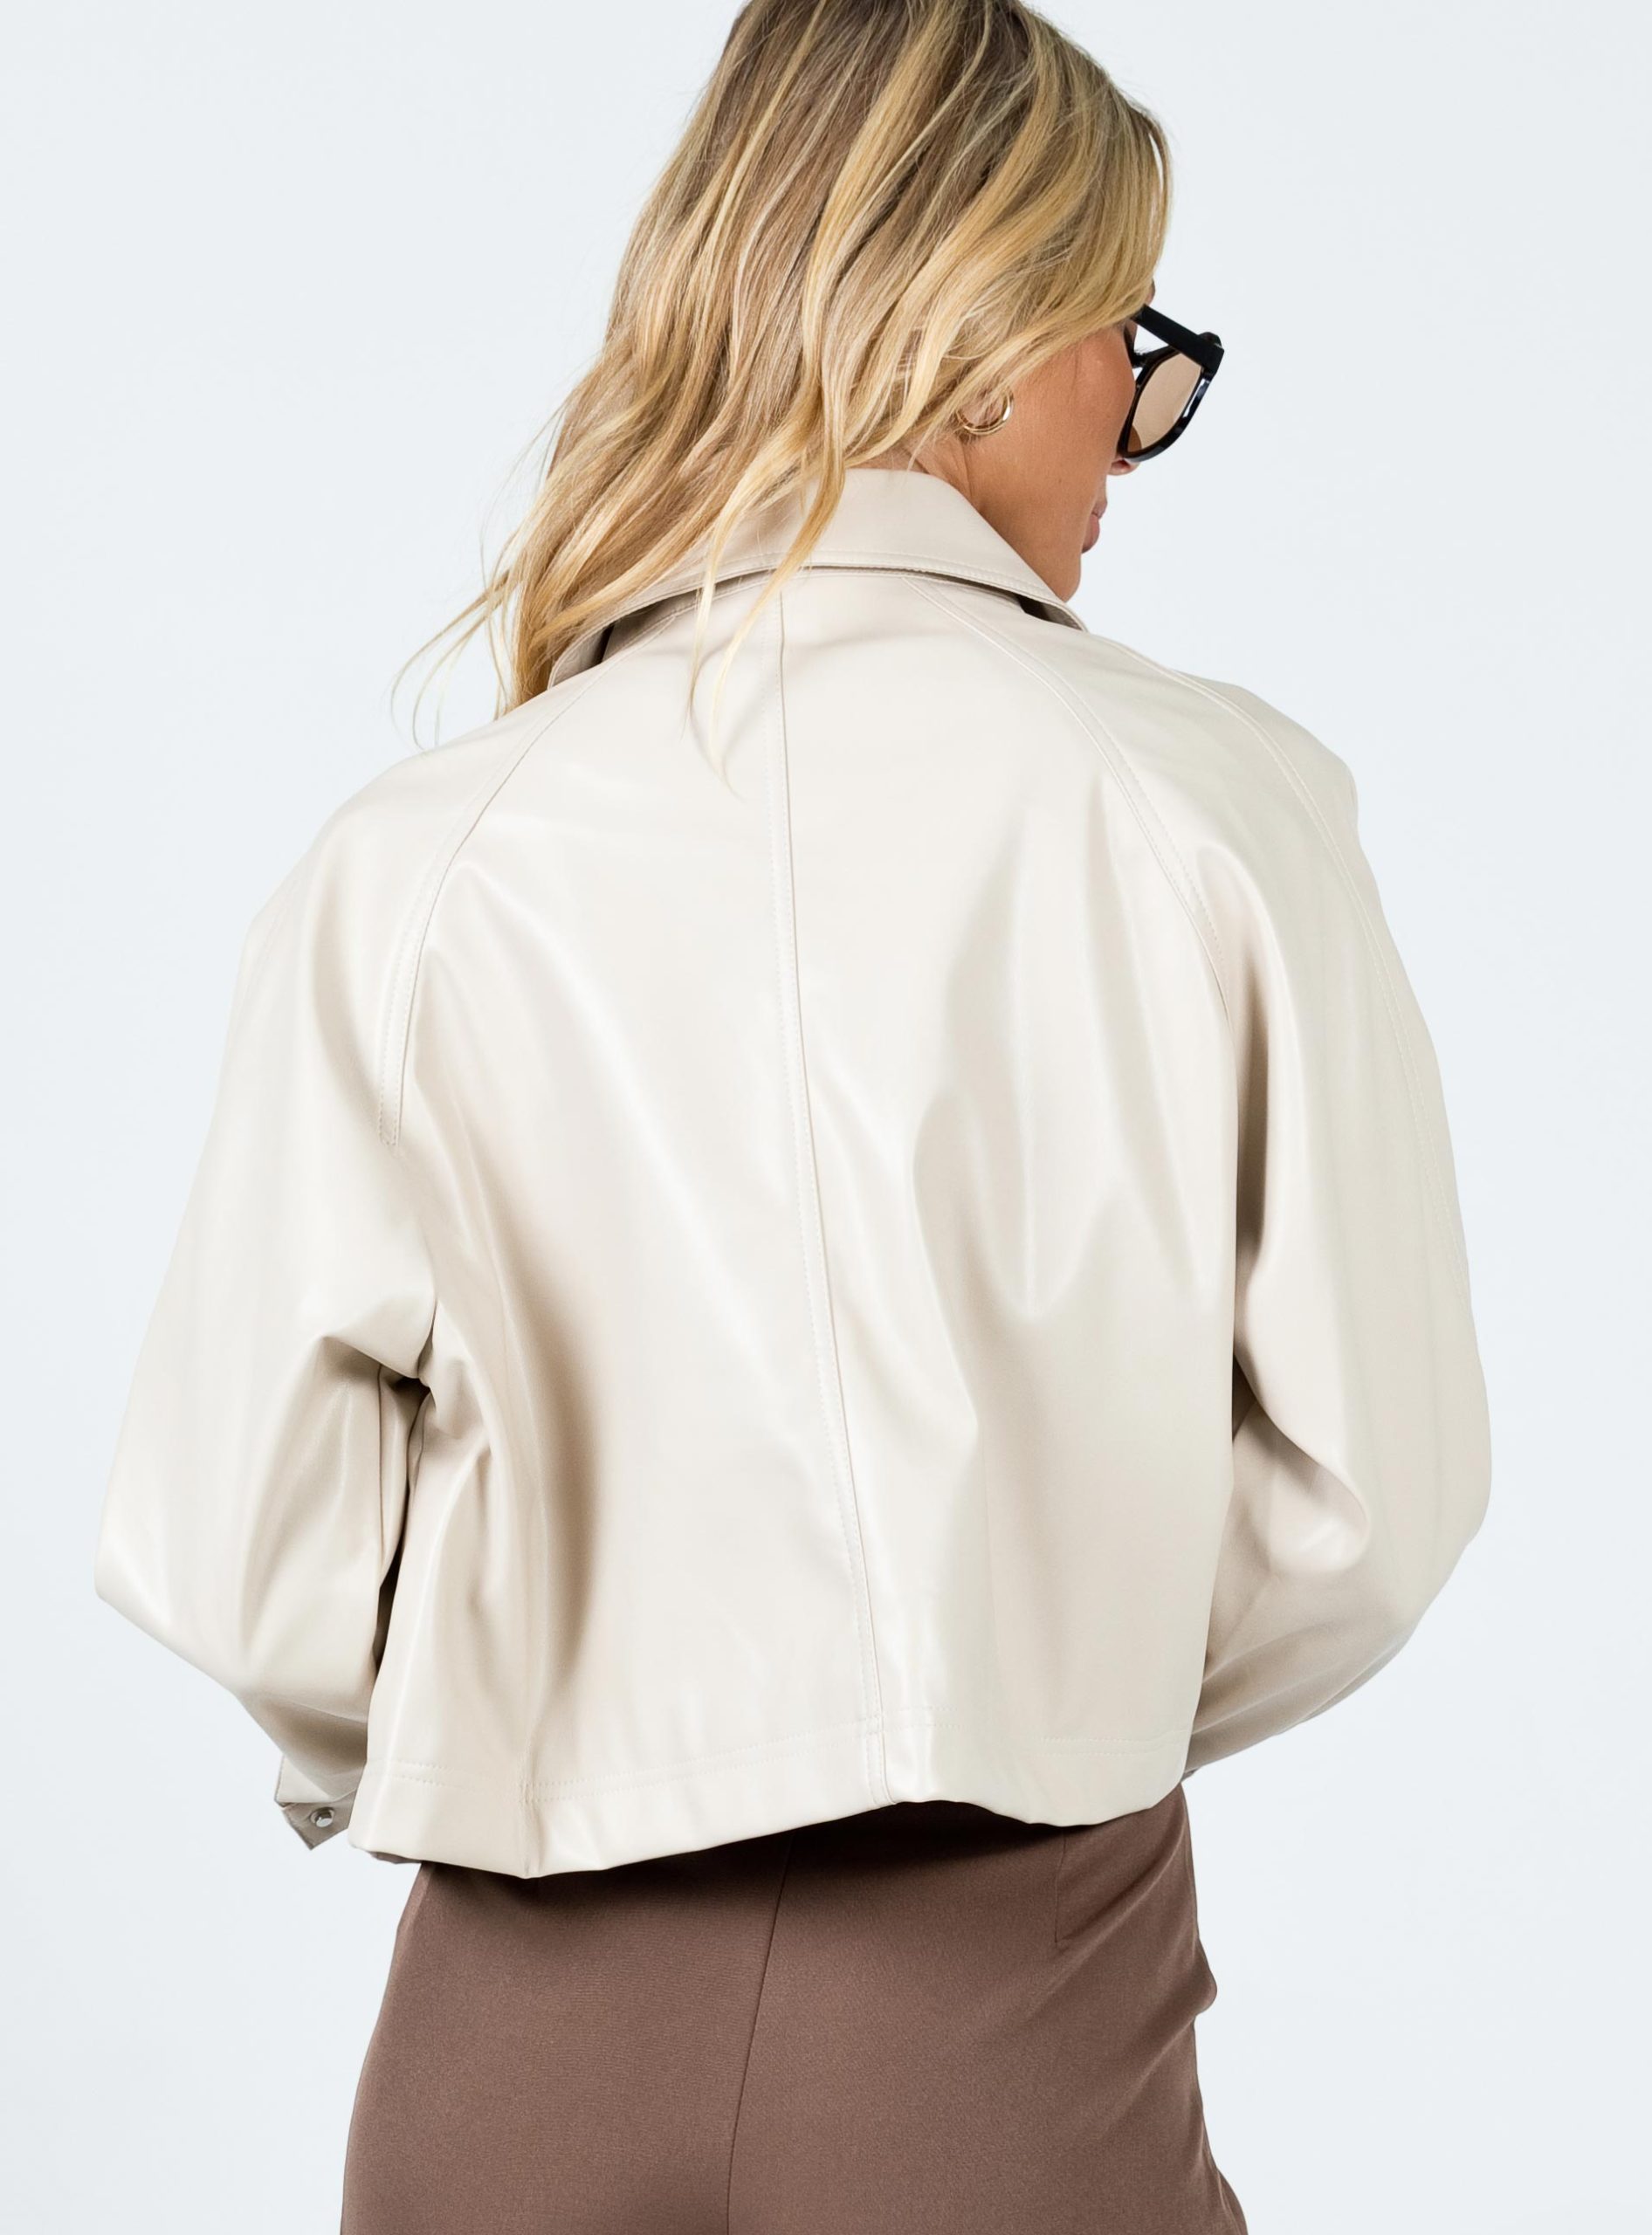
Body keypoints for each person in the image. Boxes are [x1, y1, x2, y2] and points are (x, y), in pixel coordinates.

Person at [91, 2, 1492, 2228]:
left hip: (506, 2032)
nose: (1137, 429)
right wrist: (1037, 1669)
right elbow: (1364, 1503)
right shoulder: (1207, 808)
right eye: (1127, 339)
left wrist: (537, 1724)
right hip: (1007, 2006)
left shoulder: (422, 858)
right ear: (978, 333)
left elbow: (240, 1554)